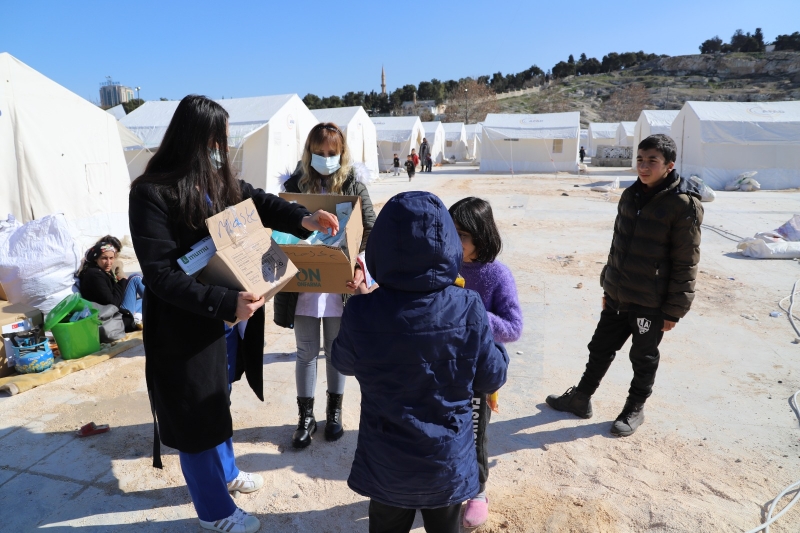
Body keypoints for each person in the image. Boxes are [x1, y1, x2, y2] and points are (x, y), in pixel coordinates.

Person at [129, 95, 339, 533]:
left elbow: (259, 200)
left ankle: (226, 472)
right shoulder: (151, 192)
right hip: (186, 324)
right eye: (217, 140)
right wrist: (225, 304)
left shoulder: (218, 181)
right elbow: (160, 274)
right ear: (195, 139)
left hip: (225, 322)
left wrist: (304, 219)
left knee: (216, 399)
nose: (223, 149)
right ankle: (214, 512)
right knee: (194, 417)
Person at [332, 191, 509, 533]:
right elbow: (492, 375)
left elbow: (342, 361)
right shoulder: (468, 306)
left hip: (386, 462)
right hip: (445, 462)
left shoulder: (362, 309)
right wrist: (492, 348)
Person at [546, 134, 703, 437]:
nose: (644, 167)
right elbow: (617, 245)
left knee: (643, 357)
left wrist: (674, 310)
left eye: (652, 161)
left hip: (651, 302)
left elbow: (687, 262)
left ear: (669, 165)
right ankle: (581, 398)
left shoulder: (683, 205)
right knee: (600, 348)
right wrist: (608, 285)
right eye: (640, 160)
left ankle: (634, 408)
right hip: (619, 294)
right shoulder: (630, 195)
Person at [274, 122, 376, 449]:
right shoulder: (293, 185)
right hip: (303, 283)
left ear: (341, 153)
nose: (326, 158)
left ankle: (334, 412)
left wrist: (358, 264)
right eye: (319, 152)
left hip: (338, 284)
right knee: (305, 351)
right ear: (309, 152)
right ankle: (305, 416)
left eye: (332, 153)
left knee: (335, 350)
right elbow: (275, 224)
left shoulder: (353, 186)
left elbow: (370, 230)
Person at [448, 197, 523, 528]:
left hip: (480, 368)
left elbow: (513, 328)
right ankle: (447, 484)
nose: (453, 240)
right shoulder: (442, 266)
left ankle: (477, 491)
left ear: (482, 236)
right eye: (448, 232)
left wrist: (475, 312)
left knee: (475, 433)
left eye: (461, 234)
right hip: (445, 364)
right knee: (446, 429)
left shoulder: (497, 275)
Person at [77, 236, 144, 330]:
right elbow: (113, 303)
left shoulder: (96, 270)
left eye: (111, 258)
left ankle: (137, 316)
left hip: (114, 310)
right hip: (114, 315)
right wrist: (122, 282)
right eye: (104, 258)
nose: (109, 262)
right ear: (96, 258)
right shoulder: (95, 275)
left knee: (144, 300)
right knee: (135, 278)